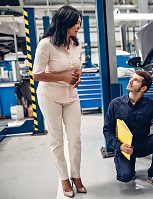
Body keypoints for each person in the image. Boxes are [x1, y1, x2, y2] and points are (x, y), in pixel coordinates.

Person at [32, 5, 86, 198]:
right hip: (50, 97)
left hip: (71, 96)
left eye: (80, 23)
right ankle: (64, 178)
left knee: (75, 138)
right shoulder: (46, 44)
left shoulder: (77, 44)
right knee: (57, 139)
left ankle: (76, 176)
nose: (79, 26)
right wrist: (63, 77)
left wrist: (77, 75)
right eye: (76, 23)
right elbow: (37, 74)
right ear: (65, 23)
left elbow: (78, 66)